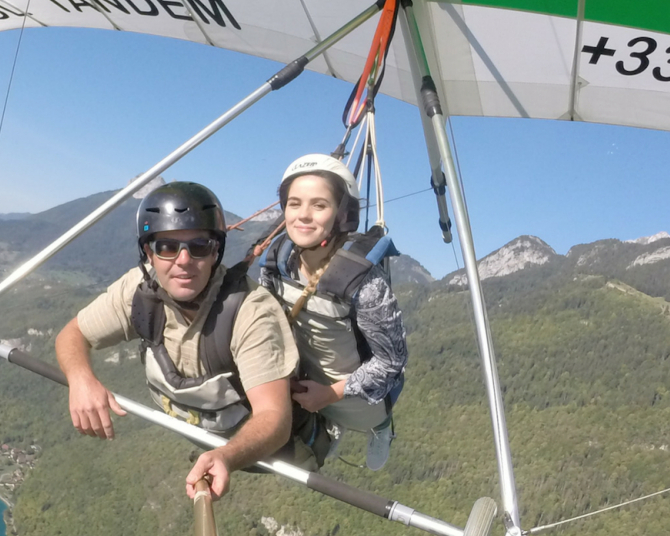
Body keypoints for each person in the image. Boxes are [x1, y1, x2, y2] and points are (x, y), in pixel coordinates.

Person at [55, 181, 301, 499]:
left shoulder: (250, 312)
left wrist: (226, 455)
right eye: (168, 247)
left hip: (254, 451)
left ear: (216, 251)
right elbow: (72, 333)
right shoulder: (139, 291)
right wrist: (81, 378)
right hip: (203, 427)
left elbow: (274, 417)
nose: (183, 260)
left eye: (199, 246)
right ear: (149, 253)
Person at [258, 154, 408, 470]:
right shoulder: (277, 259)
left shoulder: (362, 280)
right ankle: (329, 421)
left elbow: (391, 362)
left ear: (341, 215)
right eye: (294, 203)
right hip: (306, 373)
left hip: (353, 387)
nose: (303, 216)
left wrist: (331, 393)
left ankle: (381, 431)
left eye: (319, 205)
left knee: (372, 418)